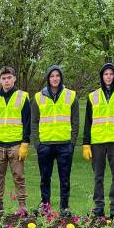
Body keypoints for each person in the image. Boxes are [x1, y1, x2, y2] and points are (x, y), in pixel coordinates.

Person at [82, 63, 114, 220]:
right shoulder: (93, 96)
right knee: (98, 176)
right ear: (102, 77)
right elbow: (88, 122)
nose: (108, 77)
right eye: (106, 74)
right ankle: (98, 208)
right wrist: (86, 144)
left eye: (111, 74)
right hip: (98, 143)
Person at [31, 65, 78, 217]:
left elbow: (75, 122)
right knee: (45, 178)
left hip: (65, 144)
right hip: (45, 145)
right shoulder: (39, 97)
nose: (55, 78)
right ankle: (45, 206)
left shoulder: (71, 96)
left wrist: (72, 143)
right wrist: (37, 144)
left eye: (57, 75)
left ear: (61, 78)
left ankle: (64, 207)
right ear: (48, 78)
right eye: (52, 76)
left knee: (65, 178)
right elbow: (34, 122)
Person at [0, 66, 30, 212]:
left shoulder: (22, 97)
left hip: (16, 144)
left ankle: (22, 205)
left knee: (18, 176)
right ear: (0, 80)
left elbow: (27, 121)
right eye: (3, 78)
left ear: (14, 78)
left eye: (9, 77)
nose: (6, 81)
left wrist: (25, 143)